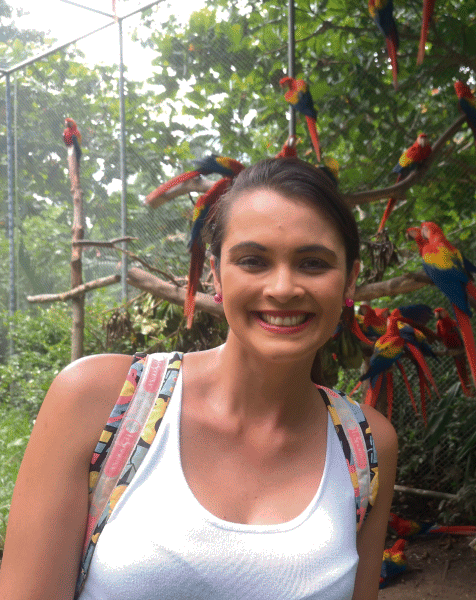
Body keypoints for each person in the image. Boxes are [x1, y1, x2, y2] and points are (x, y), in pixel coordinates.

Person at [0, 157, 398, 600]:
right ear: (215, 275)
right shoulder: (103, 400)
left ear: (350, 282)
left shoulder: (365, 445)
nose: (283, 287)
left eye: (313, 264)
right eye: (253, 261)